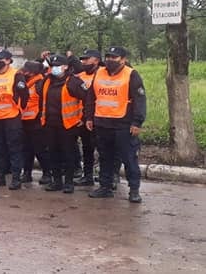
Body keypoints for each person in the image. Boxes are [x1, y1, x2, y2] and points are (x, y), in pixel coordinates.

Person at [86, 46, 147, 203]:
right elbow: (91, 96)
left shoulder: (131, 74)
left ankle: (134, 190)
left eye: (115, 57)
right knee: (105, 158)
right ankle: (105, 187)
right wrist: (89, 117)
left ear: (123, 59)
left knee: (129, 158)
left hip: (123, 124)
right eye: (108, 57)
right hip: (102, 122)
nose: (110, 60)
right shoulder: (99, 72)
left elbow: (140, 100)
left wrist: (137, 122)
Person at [40, 54, 88, 194]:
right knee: (53, 153)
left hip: (68, 125)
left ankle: (68, 182)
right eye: (52, 66)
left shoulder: (74, 82)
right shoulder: (46, 81)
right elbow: (41, 100)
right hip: (49, 123)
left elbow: (87, 99)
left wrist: (83, 118)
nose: (54, 69)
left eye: (57, 66)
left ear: (66, 67)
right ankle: (56, 181)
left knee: (68, 154)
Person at [0, 49, 29, 190]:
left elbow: (24, 94)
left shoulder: (16, 75)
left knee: (14, 148)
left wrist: (19, 109)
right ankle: (0, 176)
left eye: (2, 59)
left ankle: (16, 178)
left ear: (9, 60)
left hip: (11, 117)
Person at [19, 61, 52, 185]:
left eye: (26, 71)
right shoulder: (26, 83)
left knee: (40, 149)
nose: (24, 73)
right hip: (25, 121)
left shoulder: (40, 83)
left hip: (37, 121)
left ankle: (47, 173)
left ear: (33, 72)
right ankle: (27, 173)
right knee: (26, 150)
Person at [73, 49, 101, 187]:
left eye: (87, 59)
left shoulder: (103, 75)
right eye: (82, 59)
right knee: (87, 148)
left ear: (96, 60)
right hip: (83, 118)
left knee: (104, 149)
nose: (83, 62)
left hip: (102, 117)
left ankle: (110, 177)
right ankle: (87, 175)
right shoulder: (79, 76)